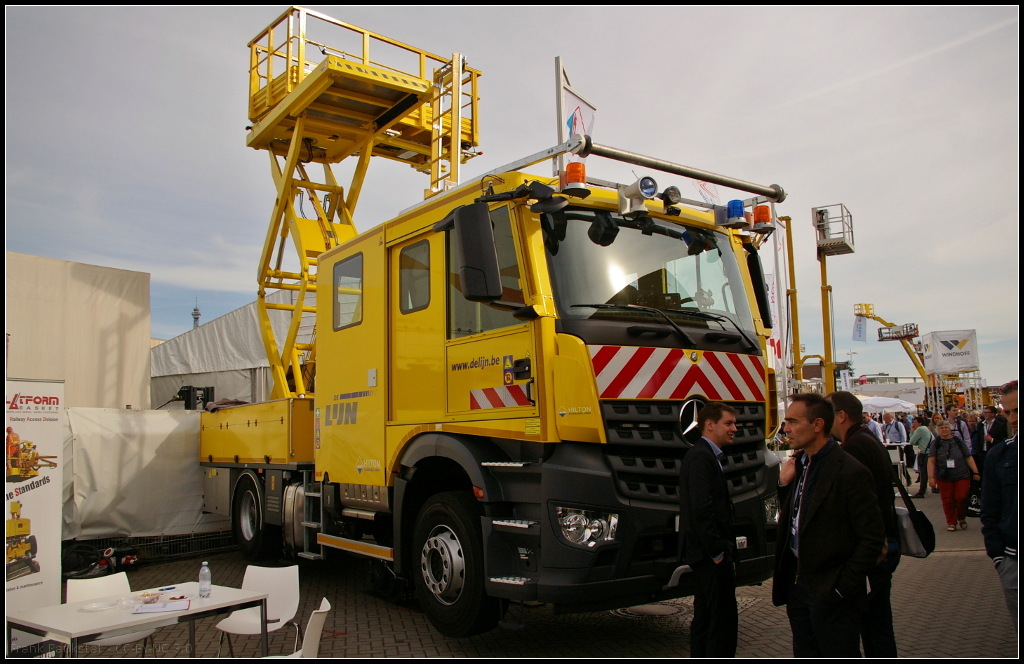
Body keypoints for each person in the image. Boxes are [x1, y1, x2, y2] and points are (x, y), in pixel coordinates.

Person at [773, 393, 886, 657]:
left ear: (818, 425)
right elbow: (796, 517)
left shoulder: (849, 471)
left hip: (832, 594)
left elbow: (871, 539)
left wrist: (840, 587)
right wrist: (782, 485)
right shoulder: (801, 465)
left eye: (792, 421)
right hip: (799, 590)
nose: (786, 428)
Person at [826, 391, 899, 657]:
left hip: (873, 552)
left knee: (874, 626)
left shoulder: (854, 446)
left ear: (842, 416)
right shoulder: (868, 438)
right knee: (877, 623)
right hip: (881, 545)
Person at [679, 402, 739, 657]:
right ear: (710, 425)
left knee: (705, 617)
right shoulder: (702, 457)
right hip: (709, 555)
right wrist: (717, 552)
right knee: (722, 620)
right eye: (729, 423)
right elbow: (702, 510)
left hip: (705, 554)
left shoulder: (703, 455)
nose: (734, 429)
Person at [981, 380, 1017, 628]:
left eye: (1018, 411)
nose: (1013, 418)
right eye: (1008, 412)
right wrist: (998, 558)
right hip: (1013, 562)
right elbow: (989, 510)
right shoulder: (999, 455)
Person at [928, 420, 981, 531]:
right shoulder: (936, 443)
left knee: (961, 497)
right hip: (943, 476)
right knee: (948, 500)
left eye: (946, 427)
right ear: (938, 430)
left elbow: (968, 456)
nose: (944, 430)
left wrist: (975, 471)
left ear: (950, 429)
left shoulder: (958, 441)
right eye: (941, 428)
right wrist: (931, 477)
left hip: (961, 474)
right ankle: (951, 522)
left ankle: (961, 517)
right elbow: (931, 460)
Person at [980, 404, 1009, 473]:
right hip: (982, 453)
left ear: (993, 414)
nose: (985, 414)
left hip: (995, 452)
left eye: (987, 412)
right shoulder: (981, 425)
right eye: (984, 412)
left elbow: (1003, 440)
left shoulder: (1000, 425)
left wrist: (992, 440)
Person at [883, 412, 910, 485]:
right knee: (892, 463)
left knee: (900, 463)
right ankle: (895, 479)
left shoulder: (898, 424)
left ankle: (908, 478)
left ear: (888, 418)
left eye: (884, 419)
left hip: (897, 445)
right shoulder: (886, 426)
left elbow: (903, 435)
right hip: (890, 445)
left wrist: (902, 445)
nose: (884, 420)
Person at [910, 416, 934, 498]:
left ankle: (921, 492)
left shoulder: (920, 429)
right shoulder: (925, 429)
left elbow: (912, 441)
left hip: (926, 453)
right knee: (928, 472)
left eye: (915, 422)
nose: (913, 424)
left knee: (924, 473)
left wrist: (911, 432)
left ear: (920, 423)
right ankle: (933, 488)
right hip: (930, 452)